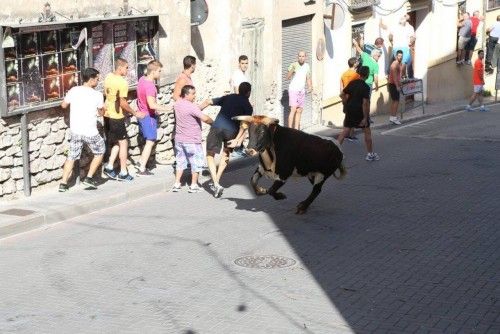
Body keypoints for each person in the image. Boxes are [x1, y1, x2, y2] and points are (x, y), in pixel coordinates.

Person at [59, 68, 105, 192]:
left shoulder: (74, 90)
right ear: (91, 80)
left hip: (76, 130)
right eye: (97, 79)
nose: (98, 81)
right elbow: (101, 113)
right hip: (90, 131)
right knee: (100, 151)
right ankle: (89, 178)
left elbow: (63, 105)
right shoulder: (97, 95)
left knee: (72, 156)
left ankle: (63, 183)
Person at [205, 82, 253, 198]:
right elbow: (244, 125)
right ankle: (216, 180)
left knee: (210, 155)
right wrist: (237, 139)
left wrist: (197, 109)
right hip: (231, 132)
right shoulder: (248, 106)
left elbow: (208, 101)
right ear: (249, 93)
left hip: (217, 127)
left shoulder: (229, 97)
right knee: (225, 155)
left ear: (239, 90)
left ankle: (215, 183)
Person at [103, 58, 145, 181]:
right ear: (120, 67)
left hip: (107, 114)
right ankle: (123, 172)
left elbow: (107, 94)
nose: (128, 70)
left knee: (117, 141)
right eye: (126, 67)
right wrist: (134, 112)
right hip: (116, 116)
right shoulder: (122, 82)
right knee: (124, 143)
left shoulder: (108, 77)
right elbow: (122, 103)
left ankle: (110, 166)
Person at [171, 85, 213, 193]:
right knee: (196, 162)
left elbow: (192, 110)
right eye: (193, 94)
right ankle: (193, 185)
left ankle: (177, 184)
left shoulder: (177, 104)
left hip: (179, 139)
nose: (195, 96)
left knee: (180, 162)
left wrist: (204, 104)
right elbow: (204, 118)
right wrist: (213, 123)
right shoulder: (191, 106)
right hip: (192, 140)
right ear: (186, 94)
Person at [135, 60, 171, 176]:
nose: (160, 73)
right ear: (153, 71)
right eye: (159, 71)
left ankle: (140, 162)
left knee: (147, 141)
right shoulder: (150, 86)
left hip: (141, 114)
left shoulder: (141, 80)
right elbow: (152, 105)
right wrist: (167, 108)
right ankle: (141, 167)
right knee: (150, 141)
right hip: (148, 117)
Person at [337, 66, 380, 162]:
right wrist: (365, 118)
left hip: (350, 110)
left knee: (345, 131)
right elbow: (365, 103)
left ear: (359, 73)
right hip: (360, 111)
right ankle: (370, 154)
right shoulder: (366, 87)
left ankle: (336, 152)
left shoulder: (352, 83)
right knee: (367, 132)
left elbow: (342, 94)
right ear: (367, 74)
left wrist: (345, 103)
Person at [286, 50, 312, 130]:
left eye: (303, 56)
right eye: (299, 56)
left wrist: (310, 86)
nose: (301, 58)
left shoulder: (307, 66)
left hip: (301, 90)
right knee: (293, 109)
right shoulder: (293, 65)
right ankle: (290, 130)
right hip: (293, 89)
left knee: (299, 110)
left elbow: (308, 78)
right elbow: (288, 77)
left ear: (305, 57)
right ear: (297, 57)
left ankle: (296, 130)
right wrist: (292, 69)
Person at [340, 57, 361, 141]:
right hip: (353, 97)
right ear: (355, 63)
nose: (358, 63)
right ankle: (351, 135)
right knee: (353, 116)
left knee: (347, 115)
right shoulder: (356, 75)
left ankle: (345, 133)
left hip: (345, 97)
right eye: (357, 62)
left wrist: (343, 98)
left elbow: (341, 88)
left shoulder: (343, 74)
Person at [388, 50, 403, 125]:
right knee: (396, 101)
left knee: (395, 101)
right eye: (399, 56)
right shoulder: (395, 64)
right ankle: (393, 117)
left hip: (395, 84)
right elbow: (394, 76)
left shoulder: (399, 64)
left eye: (401, 56)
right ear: (396, 56)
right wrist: (397, 86)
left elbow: (398, 75)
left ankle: (392, 117)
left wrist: (400, 82)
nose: (400, 57)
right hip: (393, 85)